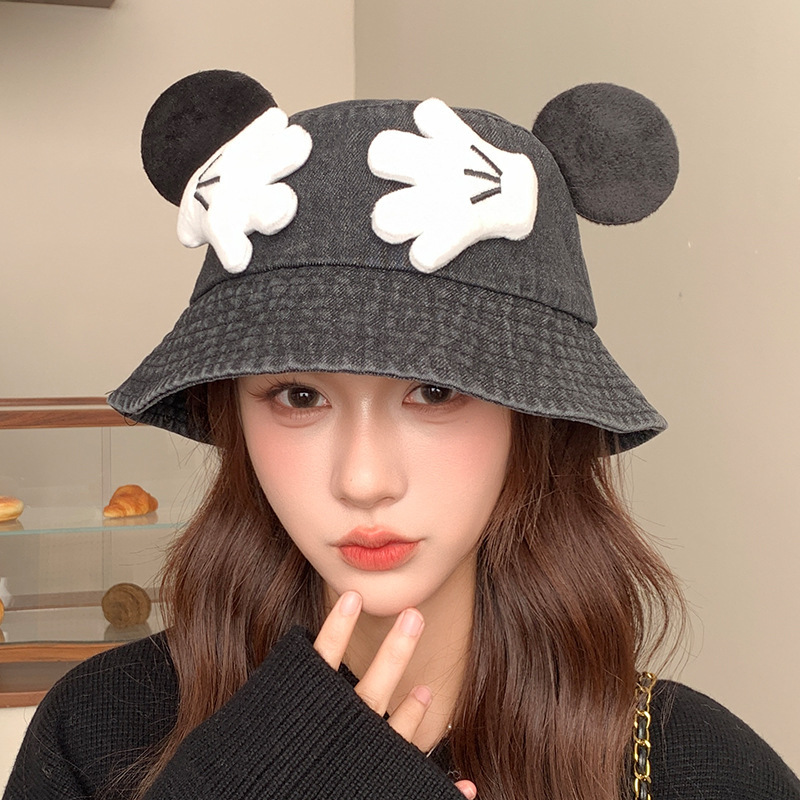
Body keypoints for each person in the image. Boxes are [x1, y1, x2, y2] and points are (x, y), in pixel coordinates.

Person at [5, 70, 799, 800]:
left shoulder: (699, 770)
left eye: (434, 391)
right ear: (233, 413)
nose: (364, 479)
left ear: (532, 416)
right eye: (299, 395)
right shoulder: (98, 731)